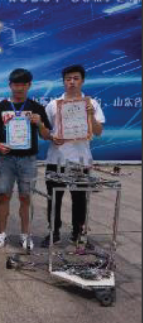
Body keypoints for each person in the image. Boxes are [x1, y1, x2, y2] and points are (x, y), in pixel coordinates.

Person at [41, 65, 105, 247]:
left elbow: (98, 131)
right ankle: (53, 232)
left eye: (76, 78)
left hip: (81, 160)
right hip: (56, 158)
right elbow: (44, 132)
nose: (72, 82)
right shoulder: (53, 105)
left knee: (79, 199)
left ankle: (78, 233)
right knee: (54, 198)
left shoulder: (92, 104)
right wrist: (51, 136)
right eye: (68, 79)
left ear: (82, 81)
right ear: (63, 82)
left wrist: (90, 116)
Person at [0, 68, 52, 250]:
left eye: (23, 84)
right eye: (16, 84)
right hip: (6, 159)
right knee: (3, 196)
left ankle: (25, 234)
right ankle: (1, 233)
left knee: (26, 198)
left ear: (29, 85)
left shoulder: (36, 108)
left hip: (28, 160)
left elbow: (46, 135)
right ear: (10, 85)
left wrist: (39, 123)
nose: (19, 88)